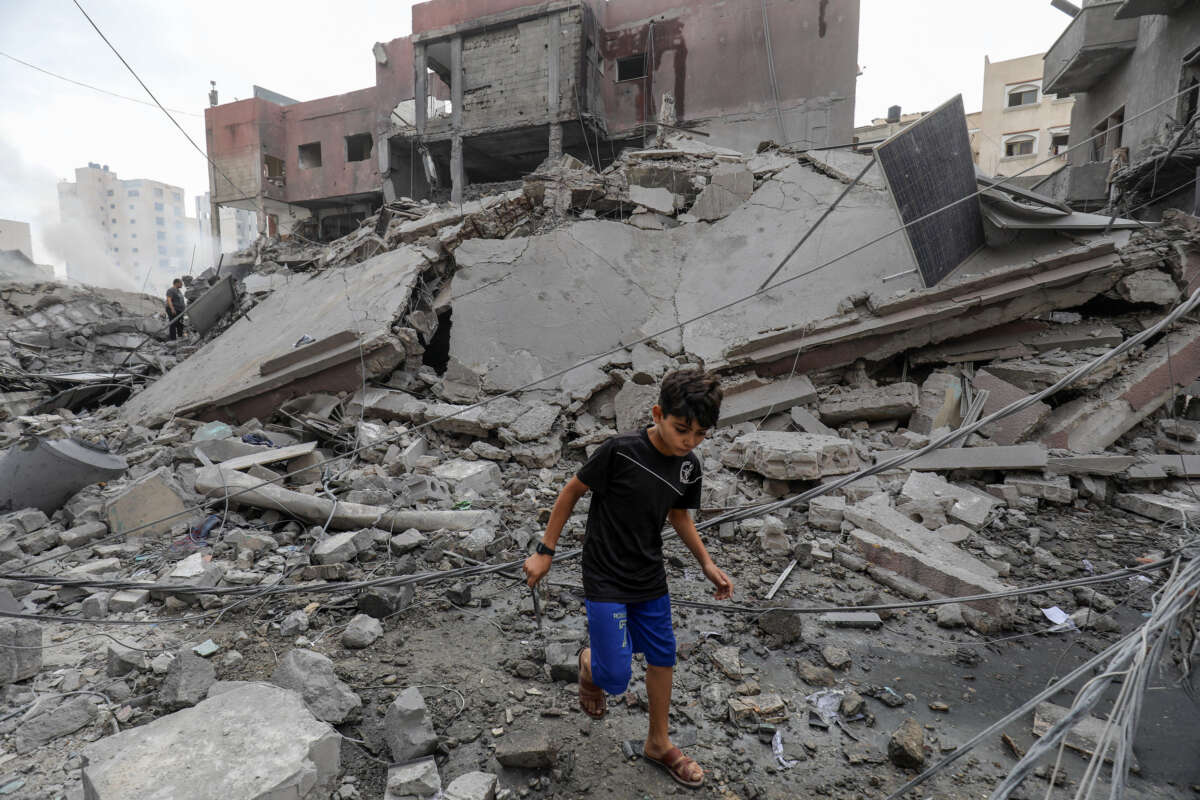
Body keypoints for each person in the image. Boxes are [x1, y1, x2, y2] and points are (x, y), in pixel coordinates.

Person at [523, 369, 733, 789]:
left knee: (663, 656)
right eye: (681, 429)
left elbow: (678, 515)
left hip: (649, 574)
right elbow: (571, 492)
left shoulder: (689, 467)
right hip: (604, 574)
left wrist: (707, 563)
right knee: (615, 678)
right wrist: (544, 552)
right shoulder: (620, 451)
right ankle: (588, 663)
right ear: (657, 414)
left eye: (700, 434)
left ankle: (658, 742)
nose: (689, 441)